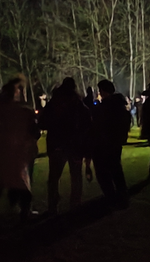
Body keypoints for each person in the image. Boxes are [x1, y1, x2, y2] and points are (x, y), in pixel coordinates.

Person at [0, 77, 40, 221]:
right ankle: (25, 210)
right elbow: (35, 132)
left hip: (2, 152)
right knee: (22, 181)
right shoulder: (23, 112)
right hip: (18, 152)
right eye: (19, 89)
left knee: (0, 181)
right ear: (15, 93)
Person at [39, 77, 91, 215]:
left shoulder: (54, 103)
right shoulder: (78, 104)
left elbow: (42, 122)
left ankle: (53, 206)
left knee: (54, 178)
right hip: (75, 146)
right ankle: (75, 204)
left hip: (57, 145)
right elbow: (87, 123)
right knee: (76, 177)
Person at [90, 79, 130, 208]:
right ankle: (122, 195)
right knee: (116, 169)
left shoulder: (105, 107)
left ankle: (111, 198)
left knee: (103, 172)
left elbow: (98, 124)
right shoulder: (120, 106)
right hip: (116, 142)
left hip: (104, 144)